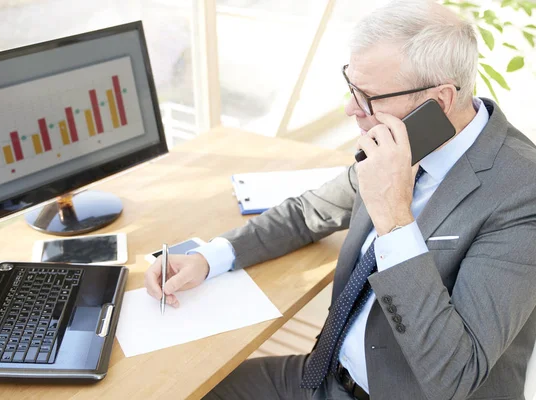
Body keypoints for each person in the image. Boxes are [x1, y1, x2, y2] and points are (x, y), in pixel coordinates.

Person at [144, 1, 536, 399]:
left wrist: (395, 221)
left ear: (440, 100)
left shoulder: (523, 195)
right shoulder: (398, 148)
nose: (352, 109)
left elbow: (455, 375)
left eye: (368, 97)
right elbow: (307, 212)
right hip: (326, 378)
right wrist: (208, 257)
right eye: (352, 87)